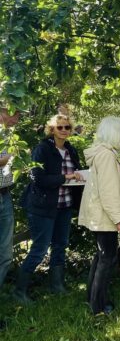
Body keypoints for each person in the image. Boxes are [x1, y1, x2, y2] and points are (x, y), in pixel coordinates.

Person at [13, 114, 83, 304]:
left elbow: (77, 174)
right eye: (59, 127)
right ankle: (19, 291)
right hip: (42, 206)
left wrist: (82, 177)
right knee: (40, 248)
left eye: (67, 127)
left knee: (60, 245)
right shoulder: (42, 149)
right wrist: (65, 177)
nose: (64, 130)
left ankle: (57, 286)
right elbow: (37, 178)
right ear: (51, 129)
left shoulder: (71, 150)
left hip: (64, 206)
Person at [78, 116, 120, 315]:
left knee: (102, 256)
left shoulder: (104, 153)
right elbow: (109, 191)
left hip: (103, 215)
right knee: (107, 258)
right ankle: (98, 306)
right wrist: (119, 219)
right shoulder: (107, 156)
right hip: (106, 217)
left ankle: (93, 299)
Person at [0, 106, 21, 290]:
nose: (17, 119)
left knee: (5, 253)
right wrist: (9, 157)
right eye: (14, 114)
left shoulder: (9, 137)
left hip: (5, 195)